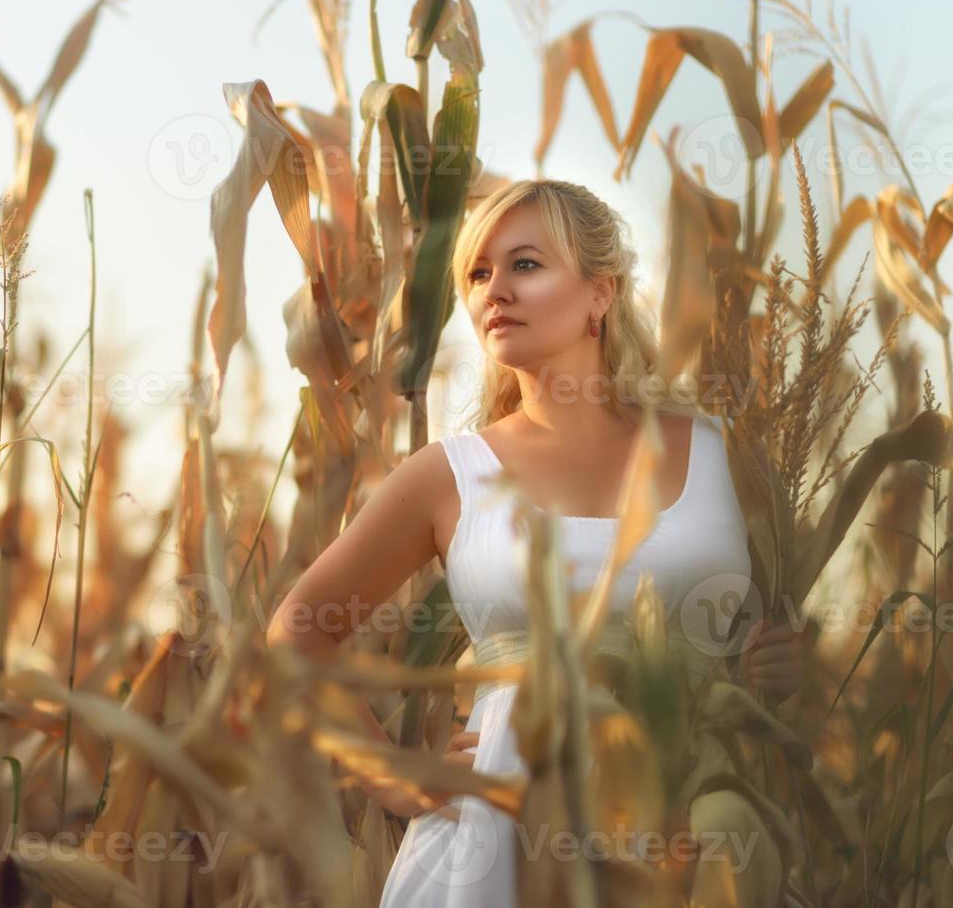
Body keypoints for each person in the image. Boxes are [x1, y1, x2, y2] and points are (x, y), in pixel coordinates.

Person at [265, 179, 802, 906]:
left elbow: (778, 630)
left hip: (695, 827)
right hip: (497, 842)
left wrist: (780, 666)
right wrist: (391, 773)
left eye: (524, 265)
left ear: (600, 293)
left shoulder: (723, 453)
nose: (495, 292)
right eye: (478, 274)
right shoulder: (448, 475)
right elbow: (297, 631)